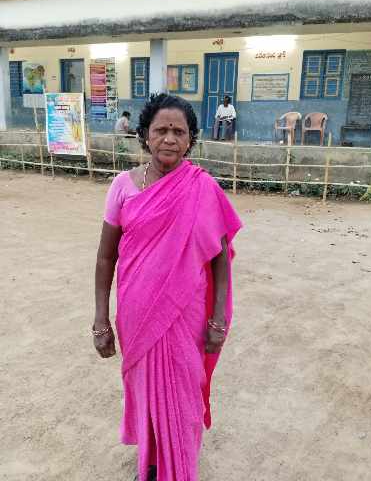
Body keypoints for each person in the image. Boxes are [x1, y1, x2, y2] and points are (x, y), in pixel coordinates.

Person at [93, 93, 242, 481]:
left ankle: (179, 465)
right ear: (144, 135)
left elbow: (221, 259)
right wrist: (100, 320)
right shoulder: (122, 186)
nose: (170, 139)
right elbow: (106, 258)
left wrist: (218, 319)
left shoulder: (202, 188)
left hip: (185, 312)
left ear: (191, 139)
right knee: (147, 390)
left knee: (184, 391)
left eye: (179, 131)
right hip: (136, 313)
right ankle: (152, 461)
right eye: (161, 130)